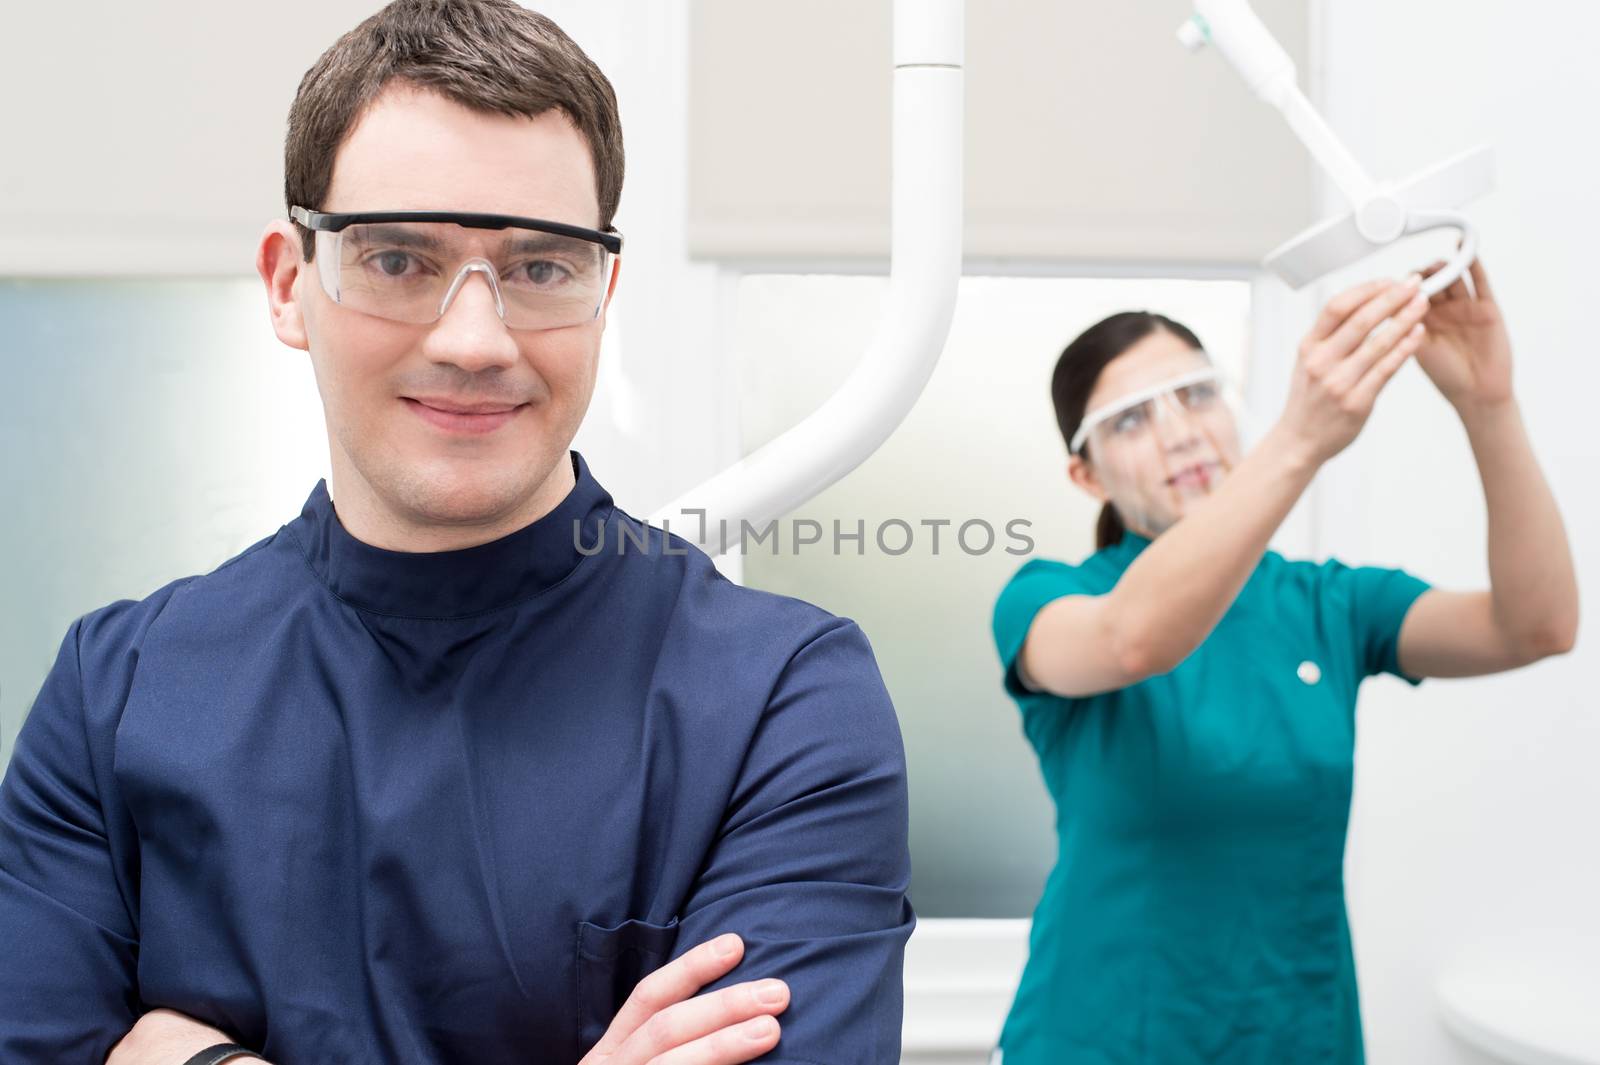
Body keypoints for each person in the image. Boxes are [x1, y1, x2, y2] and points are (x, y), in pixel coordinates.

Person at [0, 2, 913, 1062]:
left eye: (539, 268)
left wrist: (190, 1058)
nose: (475, 340)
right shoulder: (117, 693)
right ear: (290, 285)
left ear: (603, 292)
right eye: (398, 260)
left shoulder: (780, 698)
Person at [989, 263, 1578, 1064]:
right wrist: (1301, 439)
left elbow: (1536, 624)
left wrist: (1489, 405)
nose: (1179, 431)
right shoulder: (1048, 600)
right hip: (1104, 1037)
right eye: (1130, 420)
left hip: (1298, 1037)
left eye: (1194, 394)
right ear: (1084, 474)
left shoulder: (1328, 605)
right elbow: (1134, 638)